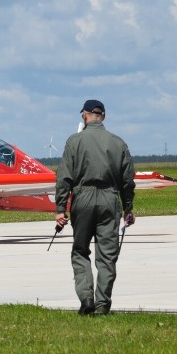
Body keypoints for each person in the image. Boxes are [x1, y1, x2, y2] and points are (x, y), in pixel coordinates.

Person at [55, 99, 136, 316]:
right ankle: (102, 303)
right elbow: (128, 180)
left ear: (84, 116)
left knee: (81, 250)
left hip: (83, 198)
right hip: (110, 199)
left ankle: (86, 298)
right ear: (104, 116)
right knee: (107, 255)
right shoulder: (118, 143)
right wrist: (128, 208)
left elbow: (64, 177)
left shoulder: (74, 142)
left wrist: (60, 208)